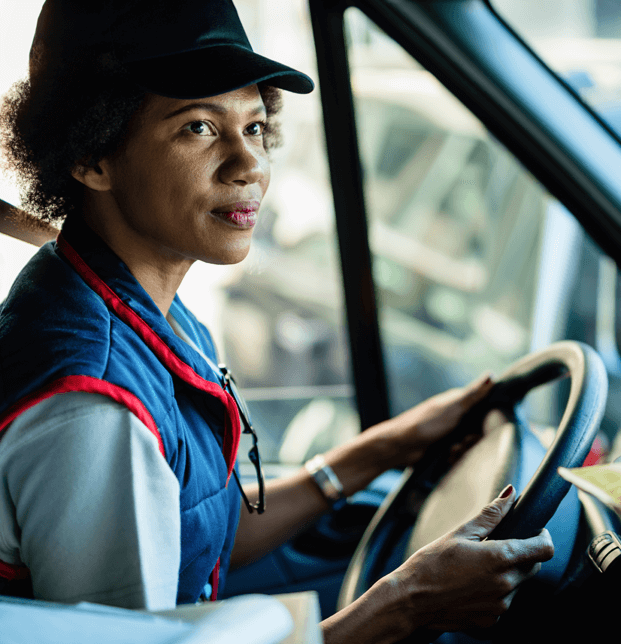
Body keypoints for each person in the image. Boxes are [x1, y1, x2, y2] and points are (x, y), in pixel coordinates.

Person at [0, 0, 554, 642]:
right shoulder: (94, 410)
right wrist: (408, 603)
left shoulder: (131, 304)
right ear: (91, 156)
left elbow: (205, 527)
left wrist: (386, 448)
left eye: (256, 127)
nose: (250, 164)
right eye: (200, 128)